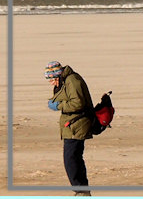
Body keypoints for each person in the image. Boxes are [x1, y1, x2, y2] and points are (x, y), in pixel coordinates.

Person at [45, 60, 93, 196]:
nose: (51, 83)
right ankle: (82, 190)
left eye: (51, 80)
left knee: (71, 158)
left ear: (57, 76)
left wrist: (59, 105)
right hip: (71, 125)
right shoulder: (65, 81)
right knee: (74, 157)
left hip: (77, 124)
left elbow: (78, 103)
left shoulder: (72, 80)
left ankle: (81, 190)